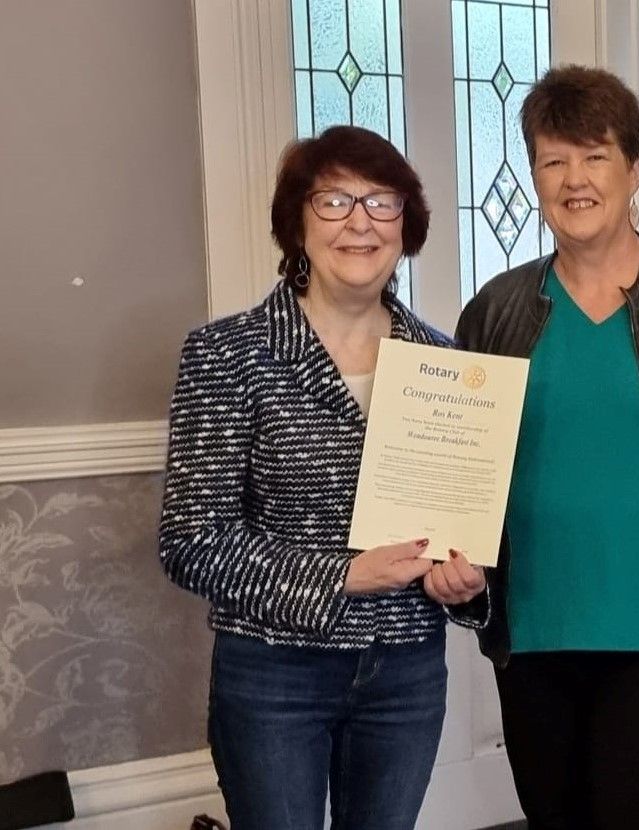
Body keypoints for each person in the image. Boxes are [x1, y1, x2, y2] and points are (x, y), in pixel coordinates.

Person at [453, 65, 639, 829]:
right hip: (531, 628)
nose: (573, 180)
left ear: (633, 171)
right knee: (553, 817)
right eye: (553, 161)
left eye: (594, 157)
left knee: (633, 814)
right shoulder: (494, 312)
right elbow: (457, 471)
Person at [158, 125, 486, 830]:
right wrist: (339, 575)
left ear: (407, 222)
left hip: (406, 669)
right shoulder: (228, 354)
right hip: (276, 672)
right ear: (296, 221)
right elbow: (189, 540)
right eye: (334, 201)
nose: (360, 222)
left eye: (381, 201)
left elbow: (460, 529)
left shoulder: (448, 363)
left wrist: (464, 581)